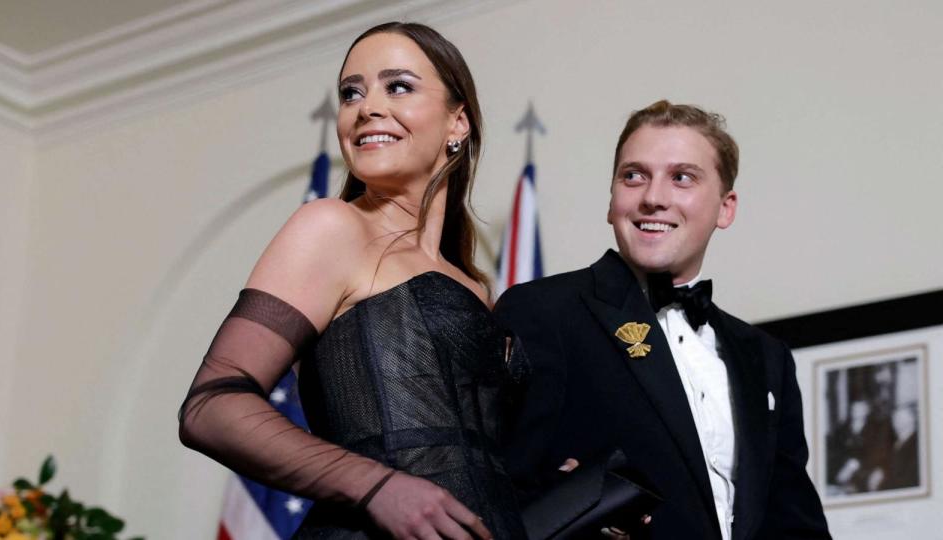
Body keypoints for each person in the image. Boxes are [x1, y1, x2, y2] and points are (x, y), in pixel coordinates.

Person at [179, 22, 526, 539]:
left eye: (399, 86)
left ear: (458, 123)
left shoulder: (475, 286)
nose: (367, 108)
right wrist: (377, 485)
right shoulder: (332, 226)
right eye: (351, 93)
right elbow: (211, 406)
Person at [495, 100, 830, 539]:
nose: (653, 197)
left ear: (725, 208)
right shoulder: (544, 310)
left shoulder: (767, 358)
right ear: (612, 199)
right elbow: (492, 488)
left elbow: (794, 523)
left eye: (682, 178)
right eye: (633, 176)